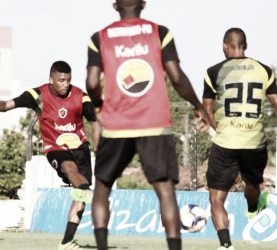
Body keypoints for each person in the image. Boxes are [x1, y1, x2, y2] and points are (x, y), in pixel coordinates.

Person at [86, 1, 210, 250]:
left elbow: (91, 82)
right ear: (143, 4)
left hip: (116, 124)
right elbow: (176, 77)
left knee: (102, 187)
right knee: (165, 191)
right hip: (154, 123)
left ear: (114, 6)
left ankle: (101, 247)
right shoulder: (160, 32)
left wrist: (99, 102)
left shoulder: (99, 37)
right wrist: (198, 105)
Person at [0, 60, 99, 250]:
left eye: (68, 80)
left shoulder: (80, 97)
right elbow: (5, 106)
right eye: (61, 80)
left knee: (80, 196)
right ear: (51, 80)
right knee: (70, 170)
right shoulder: (36, 95)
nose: (66, 85)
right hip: (55, 148)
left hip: (80, 148)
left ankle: (67, 241)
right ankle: (86, 189)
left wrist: (99, 149)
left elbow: (95, 121)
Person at [202, 28, 277, 250]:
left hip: (226, 143)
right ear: (245, 46)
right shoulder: (264, 70)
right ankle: (253, 207)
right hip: (255, 142)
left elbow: (207, 112)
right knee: (252, 183)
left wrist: (224, 129)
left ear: (225, 46)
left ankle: (226, 245)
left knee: (216, 197)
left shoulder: (213, 72)